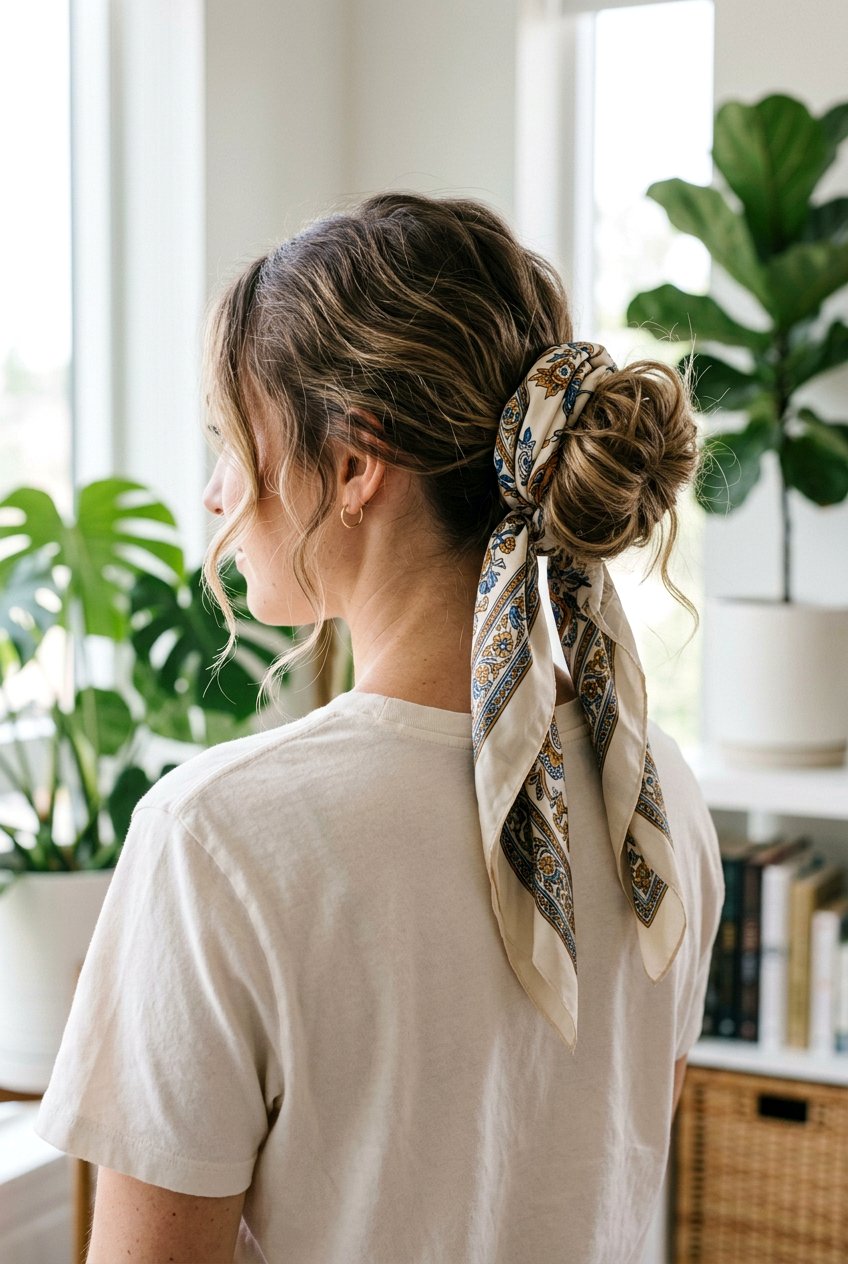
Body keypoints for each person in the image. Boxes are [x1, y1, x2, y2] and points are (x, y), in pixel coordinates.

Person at [36, 192, 724, 1263]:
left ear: (355, 465)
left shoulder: (216, 840)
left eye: (230, 437)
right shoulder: (656, 801)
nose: (218, 491)